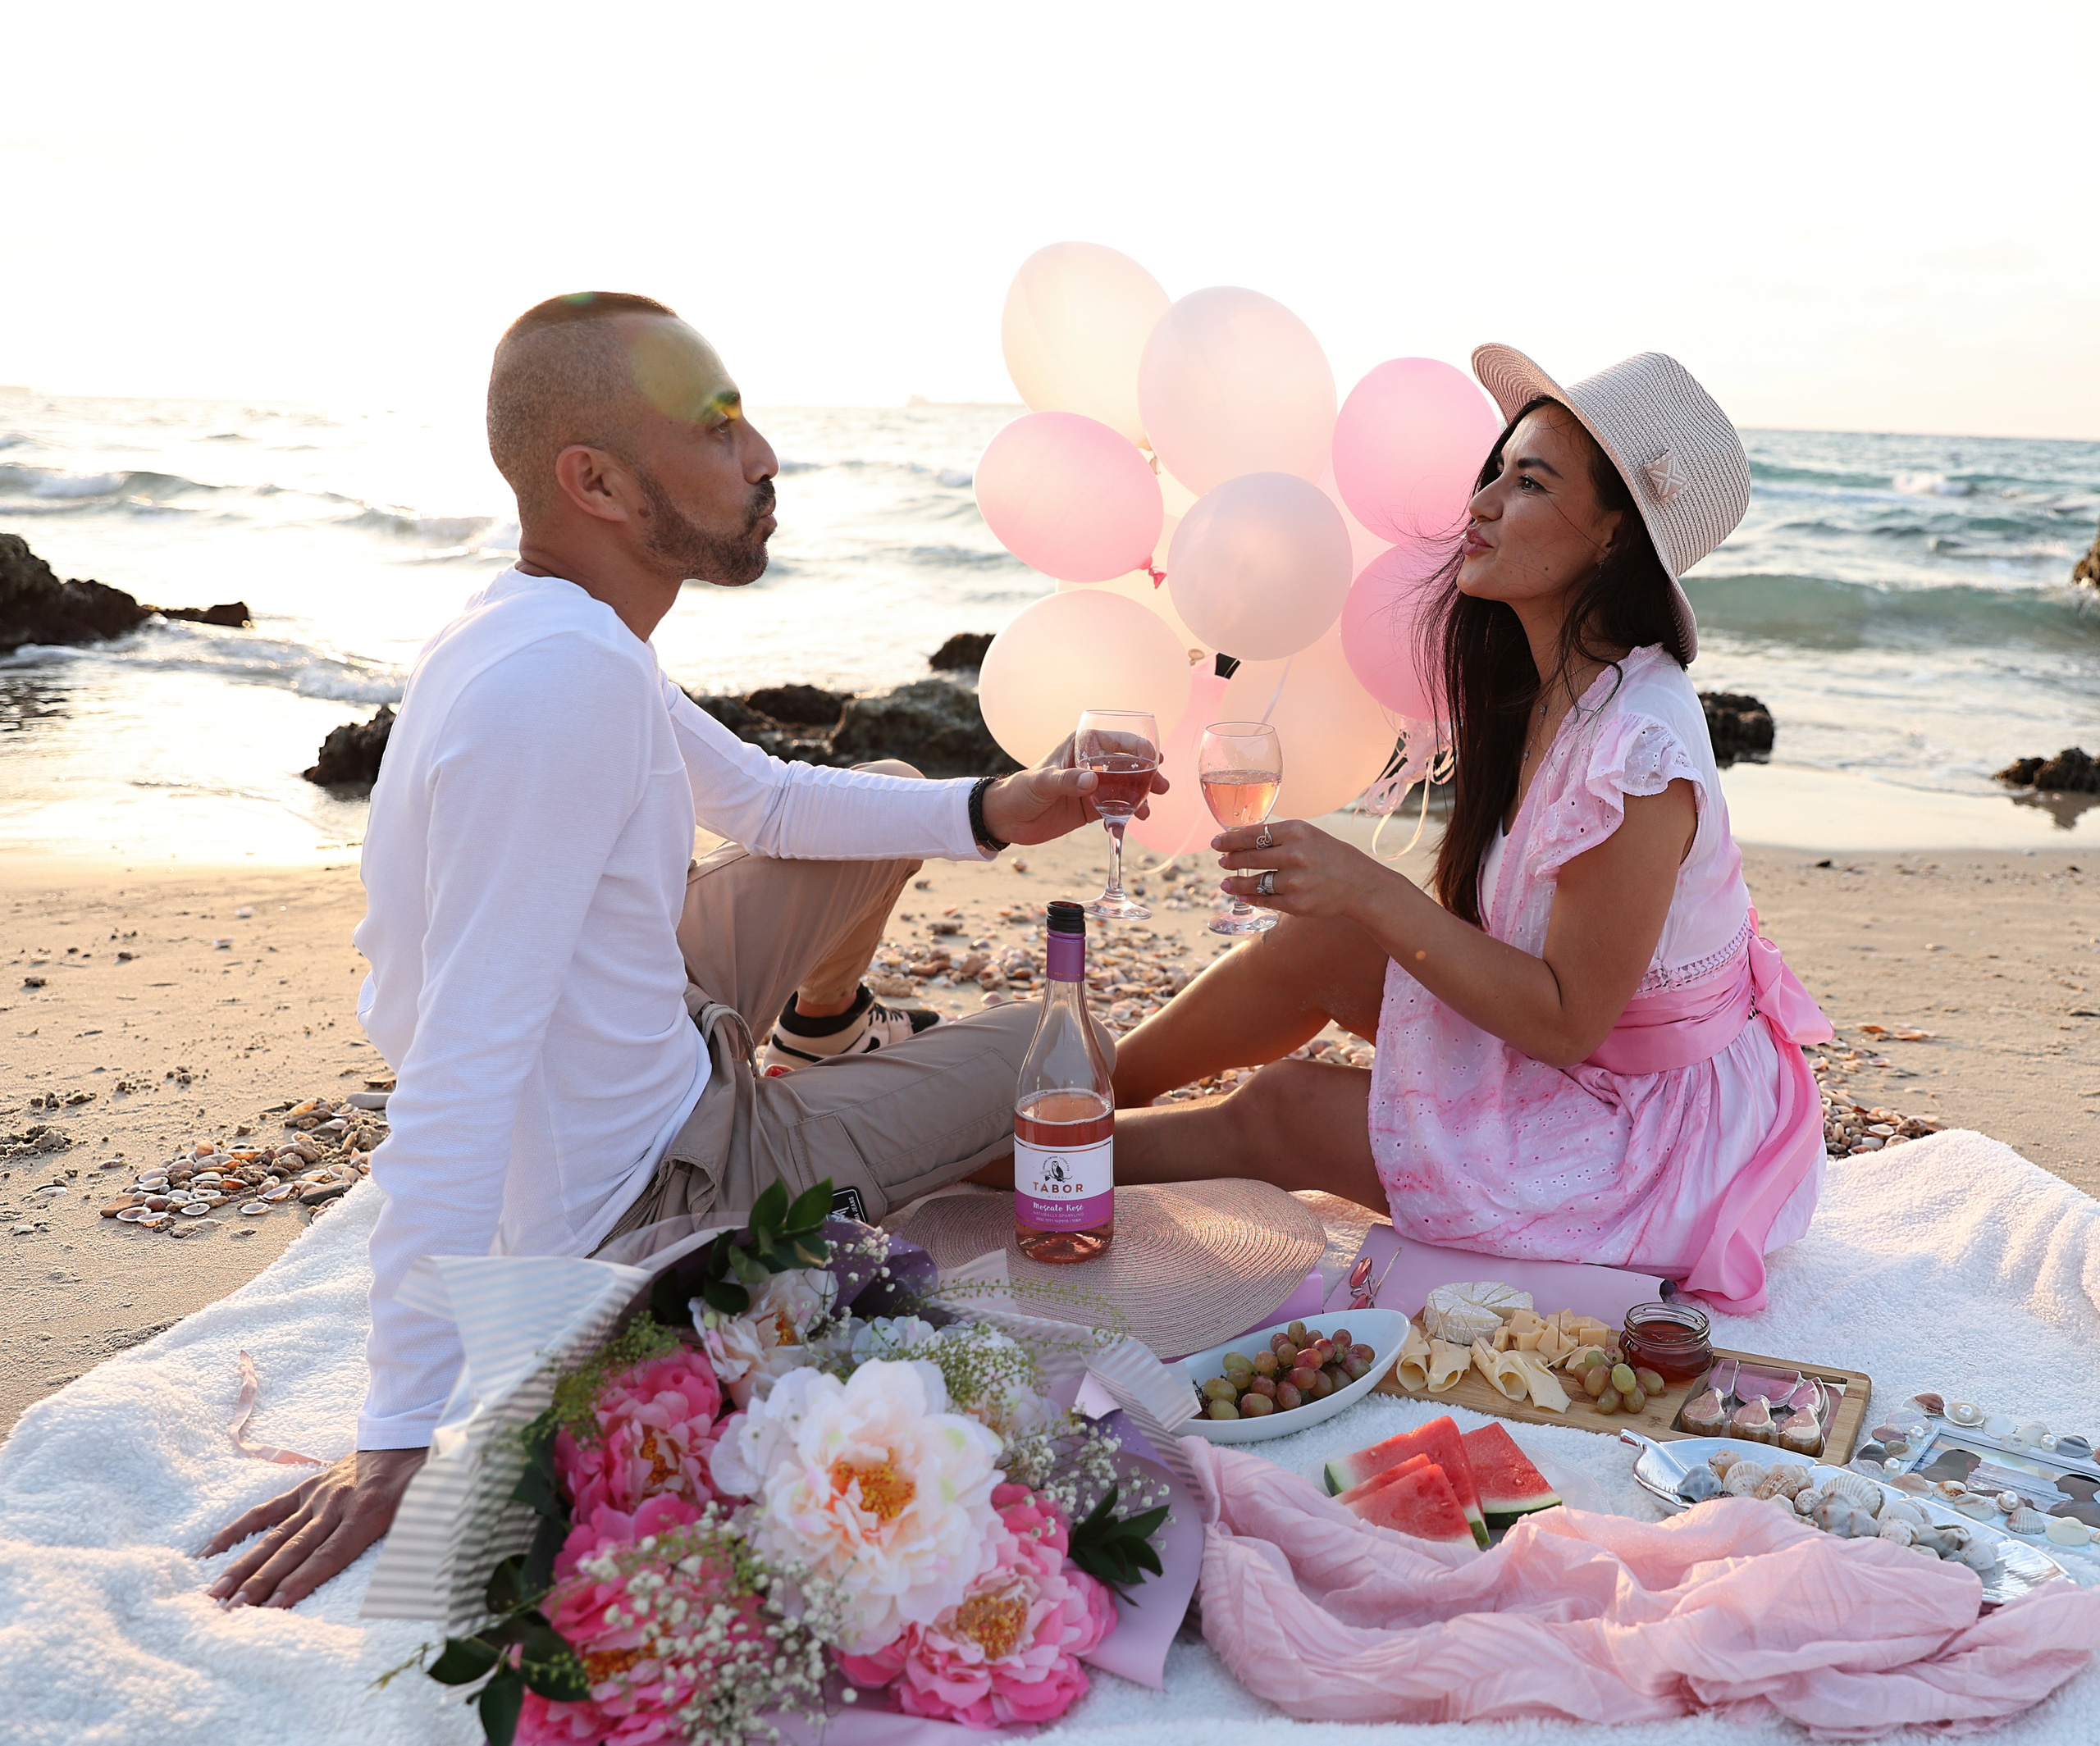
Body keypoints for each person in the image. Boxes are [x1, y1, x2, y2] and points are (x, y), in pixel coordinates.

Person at [202, 291, 1152, 1608]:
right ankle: (821, 1115)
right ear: (592, 477)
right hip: (653, 1190)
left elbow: (762, 800)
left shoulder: (551, 622)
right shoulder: (560, 691)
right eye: (719, 431)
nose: (764, 457)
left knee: (873, 781)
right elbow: (462, 1074)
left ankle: (825, 1040)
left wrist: (996, 809)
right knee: (1076, 1050)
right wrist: (398, 1435)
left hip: (657, 1018)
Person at [1109, 346, 1832, 1311]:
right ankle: (1087, 1085)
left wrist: (1372, 892)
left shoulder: (1640, 745)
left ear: (1614, 538)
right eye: (1493, 472)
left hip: (1654, 1141)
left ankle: (1023, 1149)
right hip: (1591, 1064)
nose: (1480, 503)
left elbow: (1568, 1022)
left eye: (1526, 481)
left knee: (1284, 1104)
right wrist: (1357, 911)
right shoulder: (1543, 696)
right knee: (1319, 943)